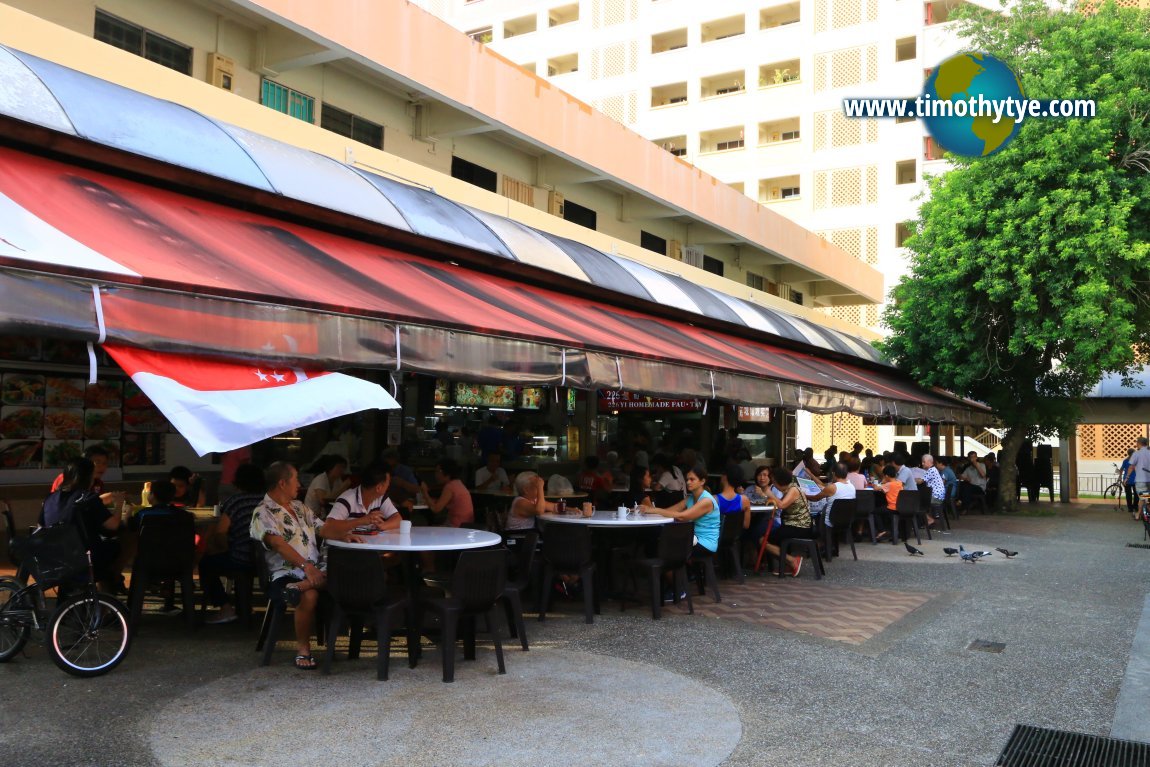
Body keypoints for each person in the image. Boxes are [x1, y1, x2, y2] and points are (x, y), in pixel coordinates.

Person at [249, 462, 354, 671]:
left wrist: (349, 534)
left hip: (314, 569)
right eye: (296, 479)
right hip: (285, 573)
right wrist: (307, 568)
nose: (299, 484)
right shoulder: (263, 513)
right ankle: (303, 649)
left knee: (347, 574)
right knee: (312, 595)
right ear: (282, 483)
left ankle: (304, 585)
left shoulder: (298, 506)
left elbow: (323, 529)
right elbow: (278, 544)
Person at [40, 457, 122, 593]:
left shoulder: (50, 498)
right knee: (116, 546)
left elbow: (41, 526)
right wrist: (119, 505)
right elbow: (113, 525)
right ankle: (108, 589)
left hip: (54, 559)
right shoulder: (88, 497)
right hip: (84, 559)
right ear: (88, 477)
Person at [199, 463, 264, 624]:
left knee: (205, 564)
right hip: (265, 559)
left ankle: (225, 607)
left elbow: (221, 532)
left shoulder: (235, 502)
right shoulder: (268, 502)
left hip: (240, 558)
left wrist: (221, 548)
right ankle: (244, 607)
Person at [642, 463, 719, 560]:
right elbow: (668, 511)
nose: (688, 482)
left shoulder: (706, 501)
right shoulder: (690, 498)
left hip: (705, 544)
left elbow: (682, 516)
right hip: (692, 539)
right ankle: (666, 573)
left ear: (702, 481)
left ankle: (670, 573)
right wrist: (647, 510)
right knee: (656, 538)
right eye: (687, 479)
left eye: (692, 479)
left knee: (665, 546)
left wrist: (654, 510)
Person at [757, 466, 814, 576]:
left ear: (779, 481)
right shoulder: (789, 489)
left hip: (800, 527)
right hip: (794, 525)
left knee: (762, 540)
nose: (773, 483)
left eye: (773, 481)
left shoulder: (793, 490)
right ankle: (788, 563)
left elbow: (782, 505)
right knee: (769, 536)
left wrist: (769, 493)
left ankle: (792, 561)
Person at [324, 462, 402, 537]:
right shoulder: (347, 499)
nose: (389, 485)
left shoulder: (381, 498)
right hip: (349, 547)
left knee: (388, 551)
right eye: (388, 482)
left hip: (371, 547)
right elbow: (328, 527)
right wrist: (361, 521)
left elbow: (398, 519)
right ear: (379, 488)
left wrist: (382, 526)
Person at [49, 444, 124, 508]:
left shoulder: (98, 482)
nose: (102, 467)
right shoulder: (68, 477)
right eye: (97, 462)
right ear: (85, 462)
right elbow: (68, 505)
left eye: (105, 463)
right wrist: (102, 499)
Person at [421, 458, 474, 528]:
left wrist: (424, 492)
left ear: (446, 472)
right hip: (466, 525)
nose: (436, 475)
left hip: (457, 527)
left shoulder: (450, 486)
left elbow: (436, 509)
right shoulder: (457, 483)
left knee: (426, 530)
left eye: (438, 471)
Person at [871, 465, 904, 541]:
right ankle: (891, 532)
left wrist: (877, 482)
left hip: (892, 507)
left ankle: (882, 530)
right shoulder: (899, 483)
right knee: (883, 509)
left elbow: (876, 488)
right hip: (900, 507)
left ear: (886, 476)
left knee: (875, 511)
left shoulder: (888, 484)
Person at [715, 465, 751, 532]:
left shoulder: (714, 499)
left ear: (725, 477)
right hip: (734, 540)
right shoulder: (745, 500)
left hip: (716, 539)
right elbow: (746, 525)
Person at [920, 454, 946, 527]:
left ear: (929, 462)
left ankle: (929, 520)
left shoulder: (931, 470)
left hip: (936, 498)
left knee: (917, 503)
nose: (922, 463)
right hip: (938, 496)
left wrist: (911, 478)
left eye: (923, 462)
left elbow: (920, 481)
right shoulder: (933, 469)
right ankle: (924, 520)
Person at [1129, 438, 1150, 516]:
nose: (1136, 444)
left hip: (1141, 481)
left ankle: (1139, 514)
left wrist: (1127, 477)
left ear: (1139, 443)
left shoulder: (1136, 454)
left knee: (1144, 498)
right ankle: (1139, 514)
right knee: (1146, 498)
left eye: (1136, 442)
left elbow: (1131, 467)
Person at [1120, 448, 1138, 516]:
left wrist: (1120, 477)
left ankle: (1130, 508)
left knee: (1129, 494)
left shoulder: (1125, 461)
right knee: (1136, 494)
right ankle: (1135, 506)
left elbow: (1121, 469)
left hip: (1126, 480)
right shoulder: (1136, 461)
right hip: (1134, 480)